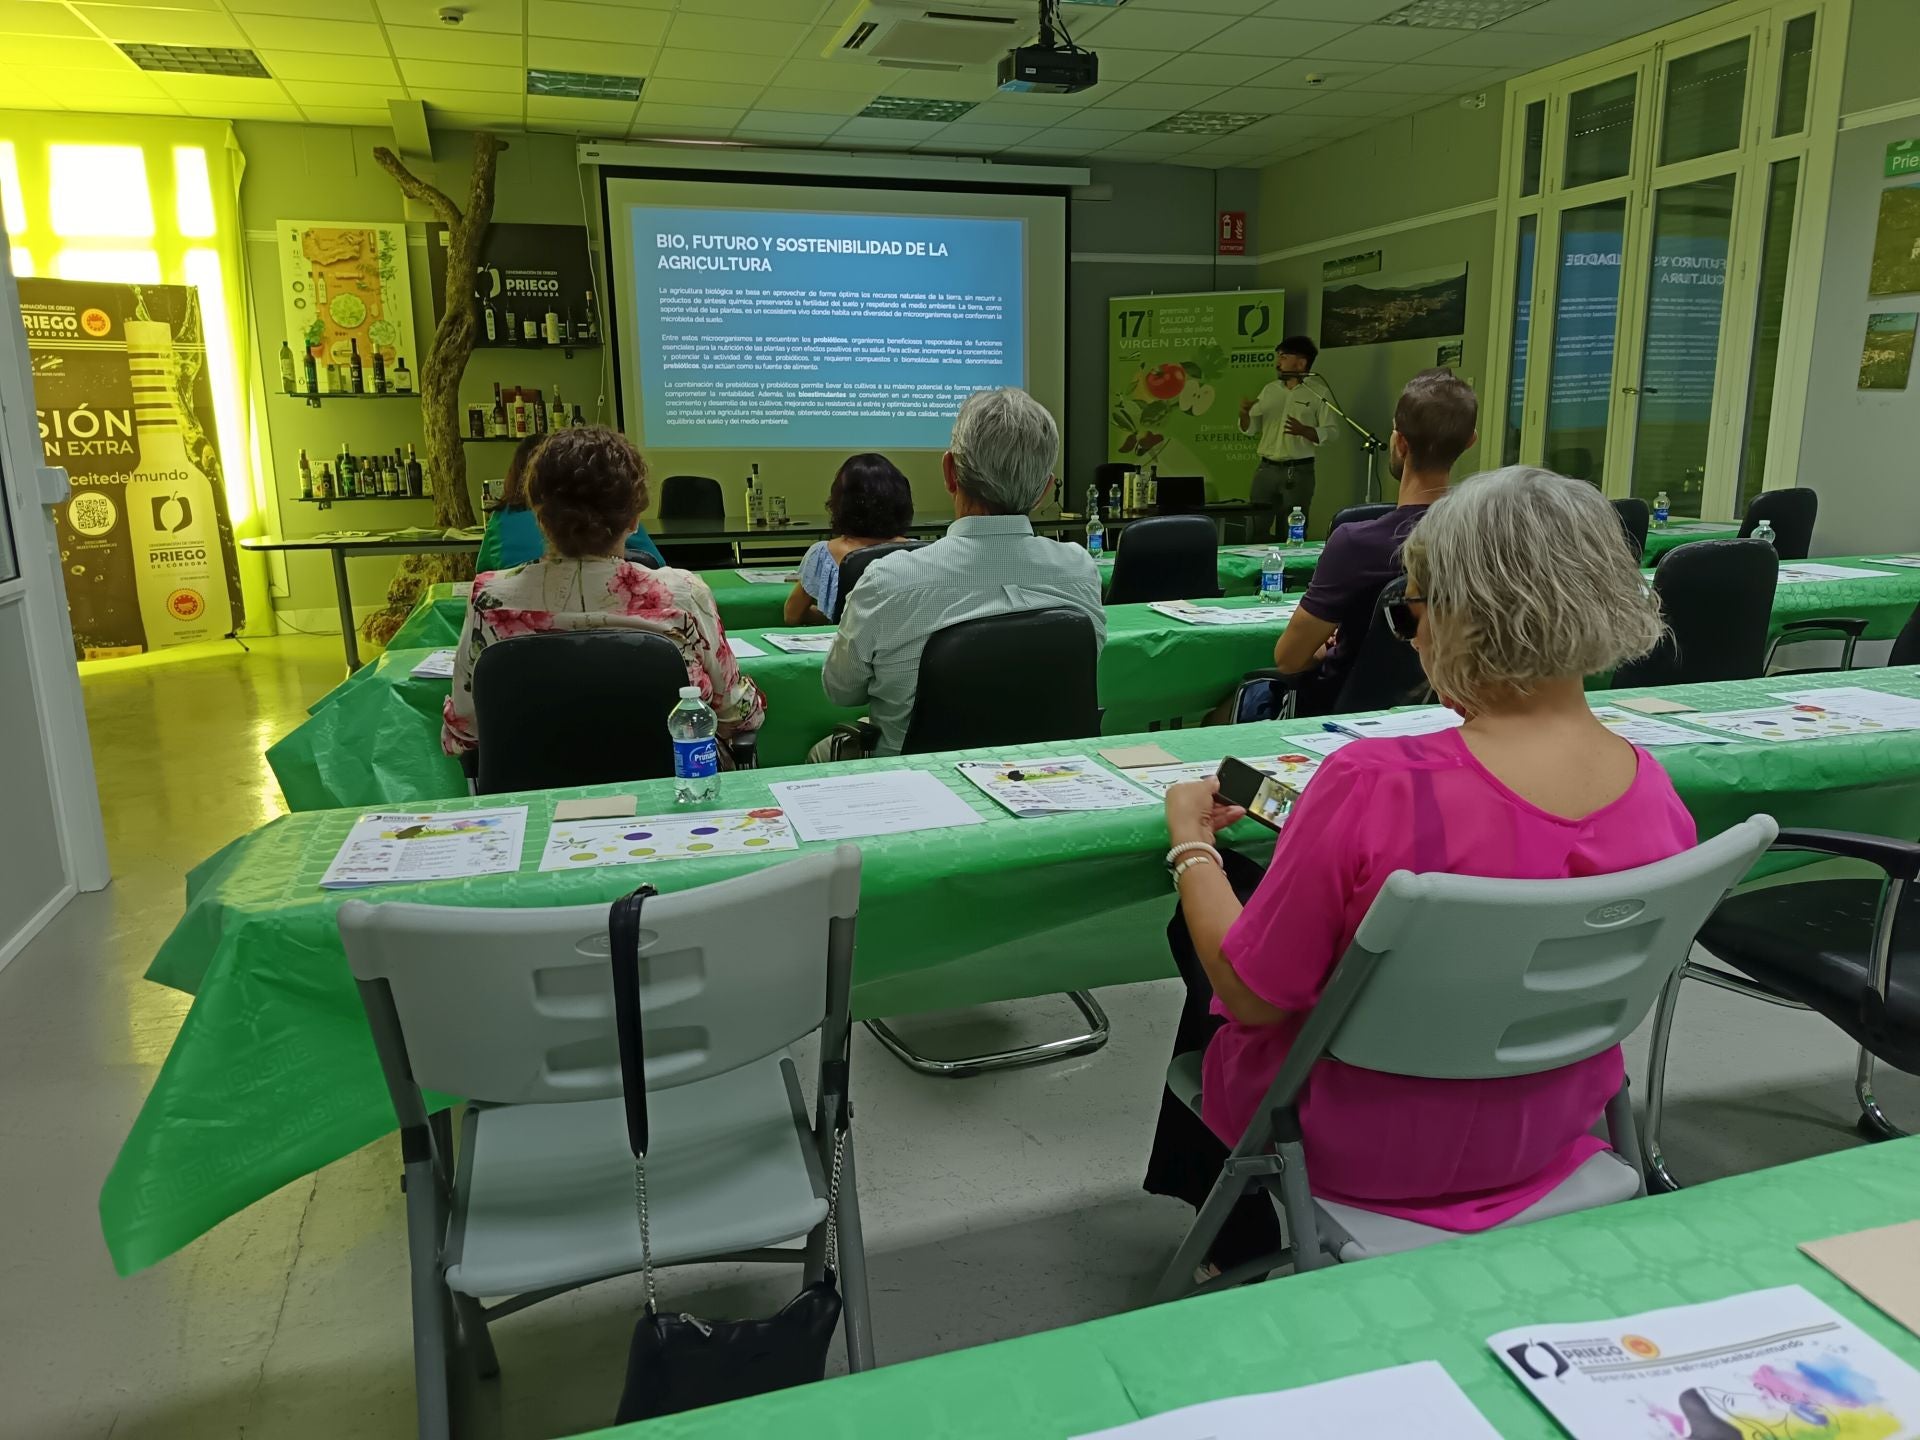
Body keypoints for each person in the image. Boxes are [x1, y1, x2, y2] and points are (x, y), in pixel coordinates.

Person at [1144, 466, 1690, 1275]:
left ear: (1465, 615)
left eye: (1410, 614)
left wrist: (1192, 845)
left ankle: (1230, 1234)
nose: (1414, 636)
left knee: (1206, 940)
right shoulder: (1656, 794)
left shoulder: (1374, 782)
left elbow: (1253, 998)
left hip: (1357, 1144)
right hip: (1555, 1129)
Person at [812, 388, 1104, 761]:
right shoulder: (1079, 571)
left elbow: (841, 692)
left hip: (916, 781)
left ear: (949, 472)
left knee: (819, 756)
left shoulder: (887, 580)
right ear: (1046, 491)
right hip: (1041, 771)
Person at [442, 426, 764, 758]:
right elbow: (738, 715)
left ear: (539, 515)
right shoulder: (683, 594)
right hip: (675, 793)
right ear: (635, 519)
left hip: (536, 802)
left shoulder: (489, 599)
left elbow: (464, 732)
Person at [1261, 368, 1479, 716]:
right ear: (1470, 441)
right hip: (1448, 716)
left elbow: (1288, 659)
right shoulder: (1484, 540)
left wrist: (1328, 647)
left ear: (1400, 442)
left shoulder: (1355, 543)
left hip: (1340, 718)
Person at [473, 433, 665, 574]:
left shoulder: (489, 600)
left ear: (542, 521)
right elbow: (655, 562)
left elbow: (483, 573)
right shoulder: (677, 593)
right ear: (633, 519)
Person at [784, 453, 916, 627]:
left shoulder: (824, 554)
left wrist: (835, 617)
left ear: (841, 502)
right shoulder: (919, 553)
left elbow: (792, 615)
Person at [1239, 335, 1328, 541]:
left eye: (1283, 356)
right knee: (1255, 527)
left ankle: (1289, 572)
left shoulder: (1318, 393)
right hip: (1266, 470)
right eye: (1278, 356)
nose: (1277, 363)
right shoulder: (1269, 390)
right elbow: (1250, 429)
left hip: (1299, 472)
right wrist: (1244, 414)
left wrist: (1304, 430)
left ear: (1301, 362)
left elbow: (1331, 432)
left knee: (1292, 532)